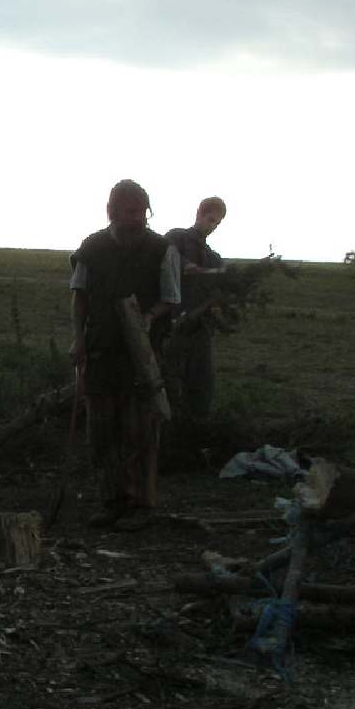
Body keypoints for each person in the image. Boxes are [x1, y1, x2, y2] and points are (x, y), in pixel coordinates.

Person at [69, 179, 182, 531]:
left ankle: (140, 504)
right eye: (128, 212)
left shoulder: (162, 249)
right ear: (111, 211)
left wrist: (148, 317)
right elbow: (79, 296)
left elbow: (171, 298)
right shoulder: (92, 247)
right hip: (100, 351)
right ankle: (111, 500)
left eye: (140, 212)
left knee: (140, 432)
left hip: (141, 355)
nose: (135, 219)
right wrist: (78, 340)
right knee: (101, 433)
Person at [163, 197, 227, 420]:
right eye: (211, 220)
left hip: (200, 327)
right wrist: (184, 265)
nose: (213, 226)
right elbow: (164, 256)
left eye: (217, 223)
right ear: (199, 213)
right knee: (169, 379)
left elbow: (223, 280)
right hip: (172, 323)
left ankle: (196, 427)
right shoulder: (177, 237)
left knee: (201, 381)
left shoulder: (212, 256)